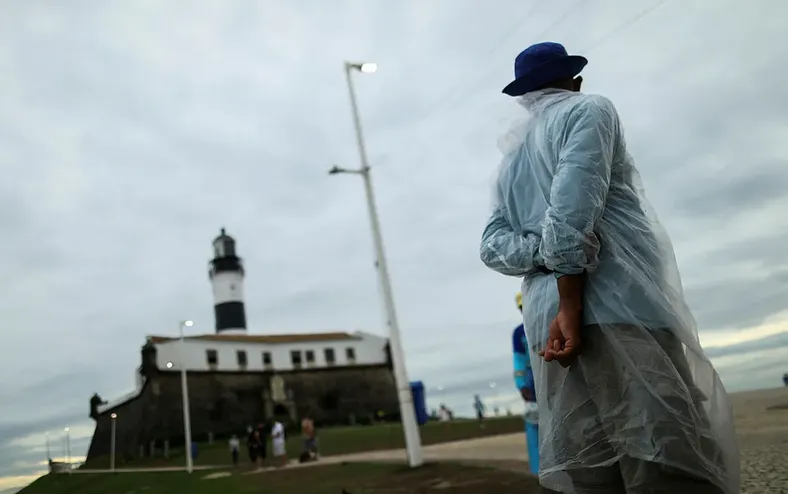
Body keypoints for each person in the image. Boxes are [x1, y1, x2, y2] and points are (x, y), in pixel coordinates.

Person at [480, 41, 739, 494]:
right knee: (664, 458)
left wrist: (542, 256)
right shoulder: (588, 111)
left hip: (547, 331)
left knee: (592, 467)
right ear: (574, 81)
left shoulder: (511, 164)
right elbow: (572, 214)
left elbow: (494, 246)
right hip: (617, 308)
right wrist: (571, 307)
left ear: (524, 96)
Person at [512, 291, 536, 403]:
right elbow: (519, 361)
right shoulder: (519, 333)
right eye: (522, 307)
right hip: (533, 377)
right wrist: (521, 384)